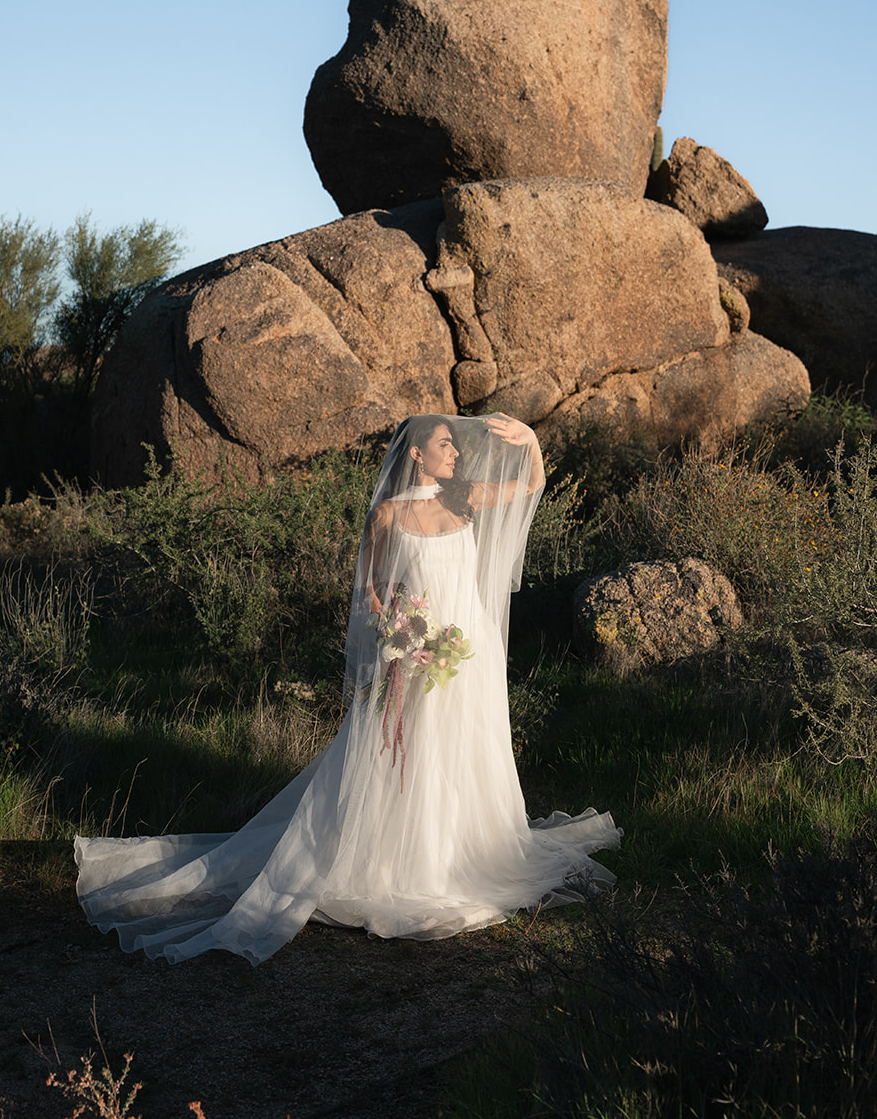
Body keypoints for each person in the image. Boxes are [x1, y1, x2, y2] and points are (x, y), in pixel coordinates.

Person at [75, 413, 620, 965]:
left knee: (465, 751)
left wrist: (529, 440)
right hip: (415, 654)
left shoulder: (465, 498)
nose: (455, 453)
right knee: (407, 756)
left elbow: (531, 484)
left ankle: (462, 852)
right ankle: (406, 864)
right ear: (415, 455)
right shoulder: (386, 515)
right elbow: (370, 593)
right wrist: (397, 641)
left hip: (468, 649)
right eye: (444, 445)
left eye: (454, 445)